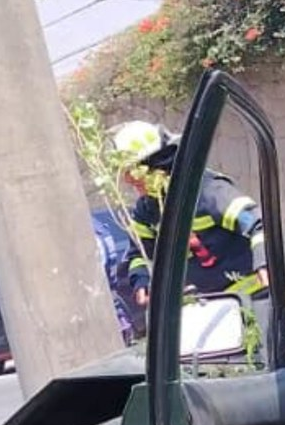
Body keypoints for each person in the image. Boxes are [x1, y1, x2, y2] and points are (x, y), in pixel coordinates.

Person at [108, 120, 268, 310]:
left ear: (155, 164)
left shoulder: (207, 190)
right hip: (202, 309)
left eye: (132, 171)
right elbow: (140, 253)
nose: (127, 180)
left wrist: (264, 265)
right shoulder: (146, 211)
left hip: (251, 300)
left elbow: (257, 224)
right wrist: (141, 280)